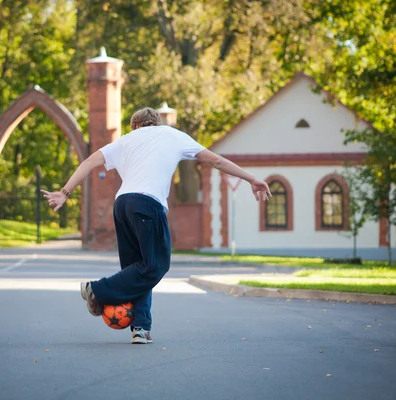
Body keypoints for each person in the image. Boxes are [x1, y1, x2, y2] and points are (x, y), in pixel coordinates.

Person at [42, 108, 271, 344]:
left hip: (122, 205)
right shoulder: (174, 135)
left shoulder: (126, 140)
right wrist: (251, 178)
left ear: (137, 126)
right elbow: (216, 160)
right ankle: (96, 289)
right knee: (156, 265)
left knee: (138, 269)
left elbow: (90, 161)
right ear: (156, 123)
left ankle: (140, 328)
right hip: (148, 204)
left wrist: (64, 192)